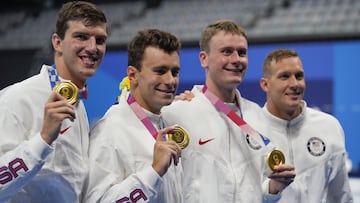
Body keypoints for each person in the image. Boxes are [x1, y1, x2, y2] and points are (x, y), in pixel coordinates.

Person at [162, 19, 295, 202]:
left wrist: (274, 189)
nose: (236, 60)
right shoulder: (176, 113)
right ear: (204, 59)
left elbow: (259, 190)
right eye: (226, 52)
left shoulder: (256, 115)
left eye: (241, 53)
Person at [0, 1, 107, 202]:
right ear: (57, 43)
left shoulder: (78, 104)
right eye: (81, 37)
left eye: (100, 40)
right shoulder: (19, 98)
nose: (93, 48)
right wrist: (43, 139)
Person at [85, 29, 183, 203]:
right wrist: (153, 172)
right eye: (160, 71)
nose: (170, 81)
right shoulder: (111, 128)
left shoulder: (165, 123)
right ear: (133, 75)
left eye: (174, 72)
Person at [259, 48, 354, 202]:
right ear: (265, 84)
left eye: (299, 76)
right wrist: (270, 190)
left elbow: (341, 195)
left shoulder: (329, 126)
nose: (294, 84)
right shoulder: (250, 131)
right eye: (284, 77)